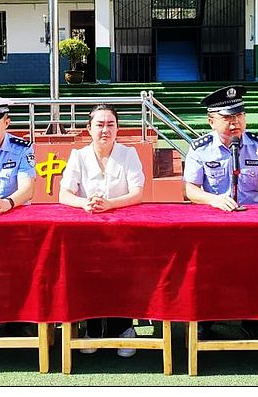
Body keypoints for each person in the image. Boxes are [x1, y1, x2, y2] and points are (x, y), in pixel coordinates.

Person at [183, 85, 258, 340]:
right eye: (228, 118)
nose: (235, 123)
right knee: (208, 270)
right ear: (211, 121)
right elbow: (190, 190)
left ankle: (252, 319)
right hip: (215, 221)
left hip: (254, 223)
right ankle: (207, 319)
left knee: (256, 270)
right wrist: (214, 200)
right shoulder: (200, 148)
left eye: (240, 116)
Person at [58, 104, 145, 357]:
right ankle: (93, 329)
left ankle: (123, 329)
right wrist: (83, 203)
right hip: (89, 233)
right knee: (89, 276)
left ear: (117, 129)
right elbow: (64, 194)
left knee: (123, 277)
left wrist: (110, 204)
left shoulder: (128, 154)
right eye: (99, 124)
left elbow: (137, 193)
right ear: (89, 128)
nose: (105, 130)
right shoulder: (79, 156)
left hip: (123, 231)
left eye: (110, 124)